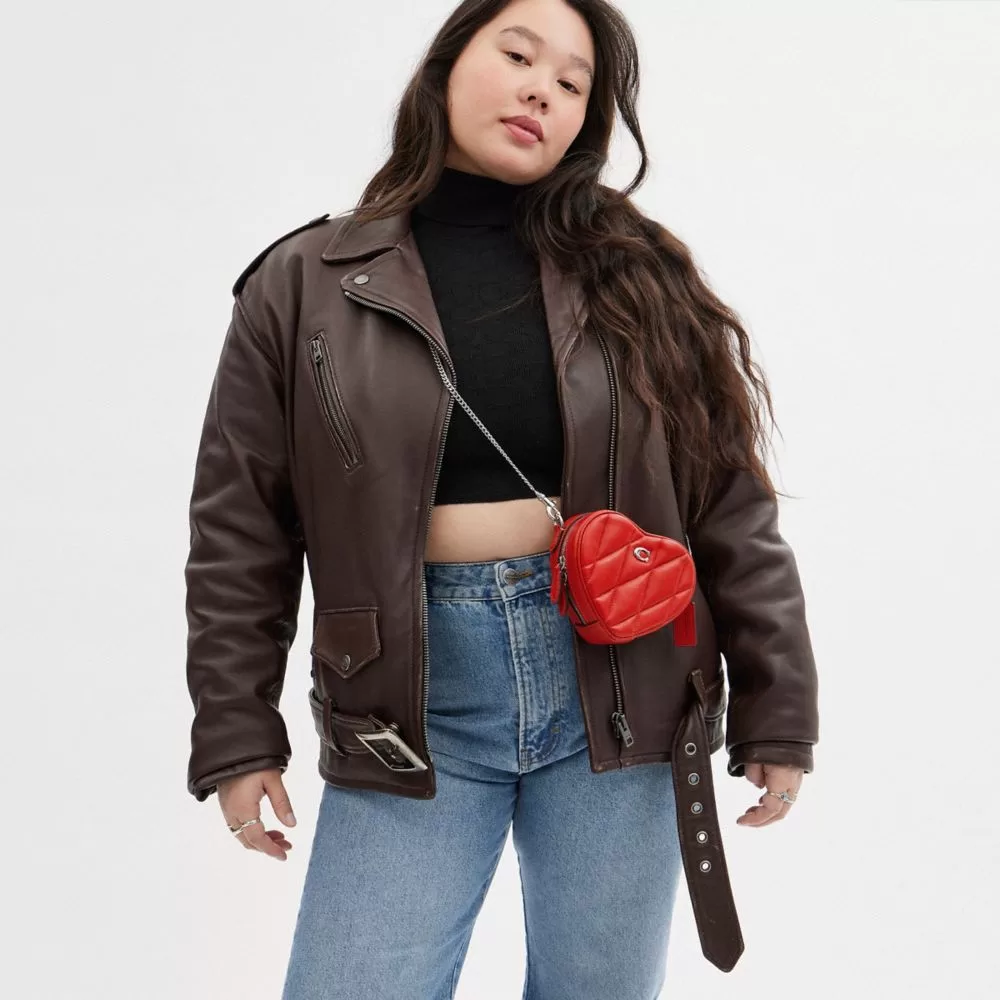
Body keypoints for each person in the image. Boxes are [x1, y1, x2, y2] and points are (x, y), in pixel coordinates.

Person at [183, 0, 820, 995]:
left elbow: (729, 500)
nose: (540, 90)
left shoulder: (638, 273)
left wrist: (779, 709)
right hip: (409, 700)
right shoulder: (303, 282)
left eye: (572, 84)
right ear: (447, 66)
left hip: (627, 685)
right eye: (518, 55)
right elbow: (240, 530)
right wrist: (236, 730)